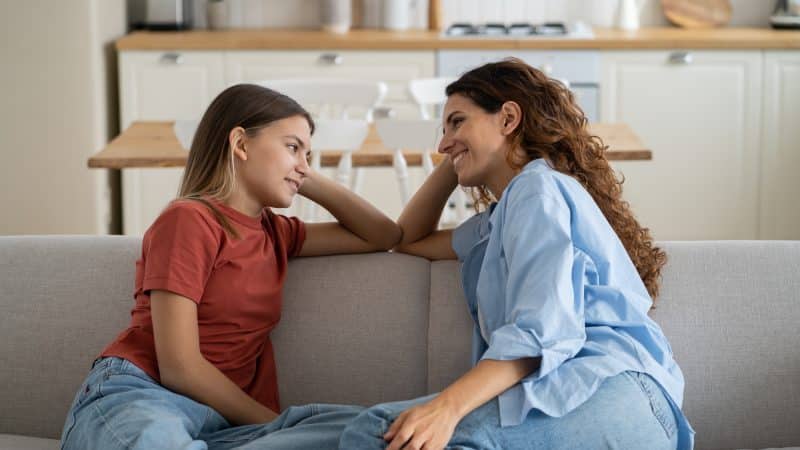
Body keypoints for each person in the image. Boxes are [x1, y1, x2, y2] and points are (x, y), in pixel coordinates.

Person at [339, 58, 694, 450]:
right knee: (364, 429)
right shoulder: (502, 219)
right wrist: (457, 155)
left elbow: (541, 332)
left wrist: (448, 408)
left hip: (610, 389)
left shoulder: (536, 190)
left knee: (377, 433)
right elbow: (407, 238)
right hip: (609, 400)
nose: (441, 143)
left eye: (457, 121)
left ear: (508, 118)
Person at [59, 84, 401, 450]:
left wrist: (301, 174)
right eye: (292, 146)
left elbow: (383, 234)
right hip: (146, 395)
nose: (304, 164)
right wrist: (277, 424)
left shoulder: (276, 233)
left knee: (376, 429)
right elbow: (180, 368)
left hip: (226, 424)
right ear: (240, 144)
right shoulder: (189, 220)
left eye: (308, 153)